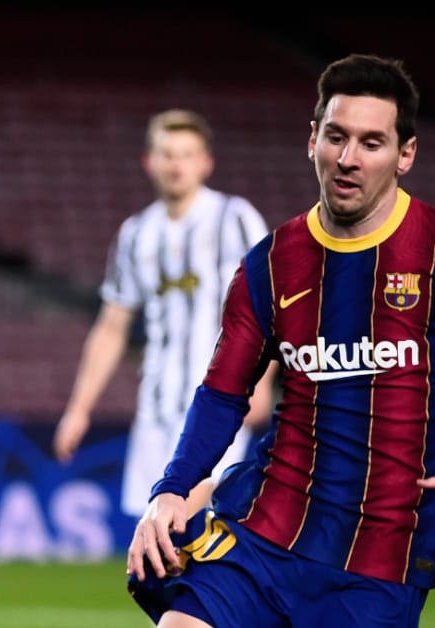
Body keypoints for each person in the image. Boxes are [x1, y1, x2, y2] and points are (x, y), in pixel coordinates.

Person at [126, 53, 435, 627]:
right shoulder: (270, 263)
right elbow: (223, 394)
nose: (348, 159)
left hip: (381, 560)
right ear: (312, 140)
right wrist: (172, 489)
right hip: (264, 529)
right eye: (336, 137)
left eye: (372, 143)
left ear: (406, 154)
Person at [53, 109, 277, 517]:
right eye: (167, 154)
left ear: (206, 163)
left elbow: (272, 303)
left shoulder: (234, 218)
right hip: (156, 406)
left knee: (188, 524)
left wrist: (262, 380)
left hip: (222, 400)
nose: (176, 164)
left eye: (187, 154)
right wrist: (79, 409)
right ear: (149, 162)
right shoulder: (136, 234)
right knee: (155, 542)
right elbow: (111, 328)